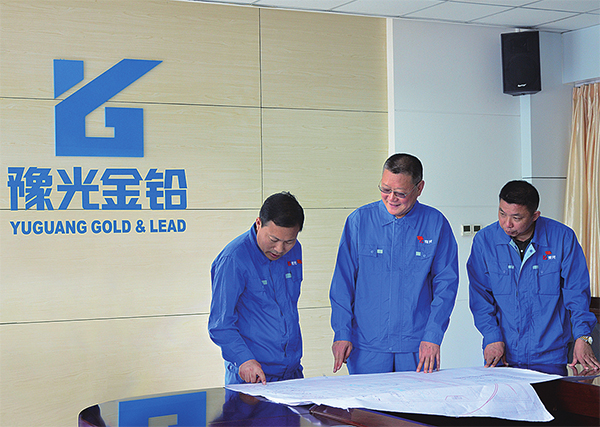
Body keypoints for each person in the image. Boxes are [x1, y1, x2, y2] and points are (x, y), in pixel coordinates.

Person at [329, 153, 459, 374]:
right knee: (368, 398)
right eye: (385, 189)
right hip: (367, 346)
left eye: (400, 193)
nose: (391, 198)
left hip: (417, 346)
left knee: (417, 398)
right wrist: (342, 333)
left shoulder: (436, 224)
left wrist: (433, 336)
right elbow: (342, 284)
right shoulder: (359, 221)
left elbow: (446, 286)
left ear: (419, 188)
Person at [467, 180, 600, 375]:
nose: (506, 223)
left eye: (516, 217)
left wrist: (583, 337)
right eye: (502, 213)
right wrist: (492, 336)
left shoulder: (562, 238)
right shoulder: (484, 241)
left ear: (535, 215)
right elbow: (480, 298)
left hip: (551, 355)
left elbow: (577, 293)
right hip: (503, 355)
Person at [208, 192, 305, 385]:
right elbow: (220, 324)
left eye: (288, 241)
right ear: (259, 223)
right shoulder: (234, 259)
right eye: (273, 239)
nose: (280, 249)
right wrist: (244, 360)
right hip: (253, 376)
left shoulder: (295, 250)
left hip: (291, 373)